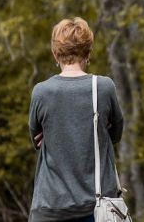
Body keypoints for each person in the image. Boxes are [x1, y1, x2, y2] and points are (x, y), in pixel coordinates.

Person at [29, 17, 124, 222]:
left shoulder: (41, 92)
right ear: (88, 53)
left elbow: (36, 139)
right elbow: (116, 134)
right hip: (96, 209)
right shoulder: (104, 87)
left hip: (49, 209)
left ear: (55, 53)